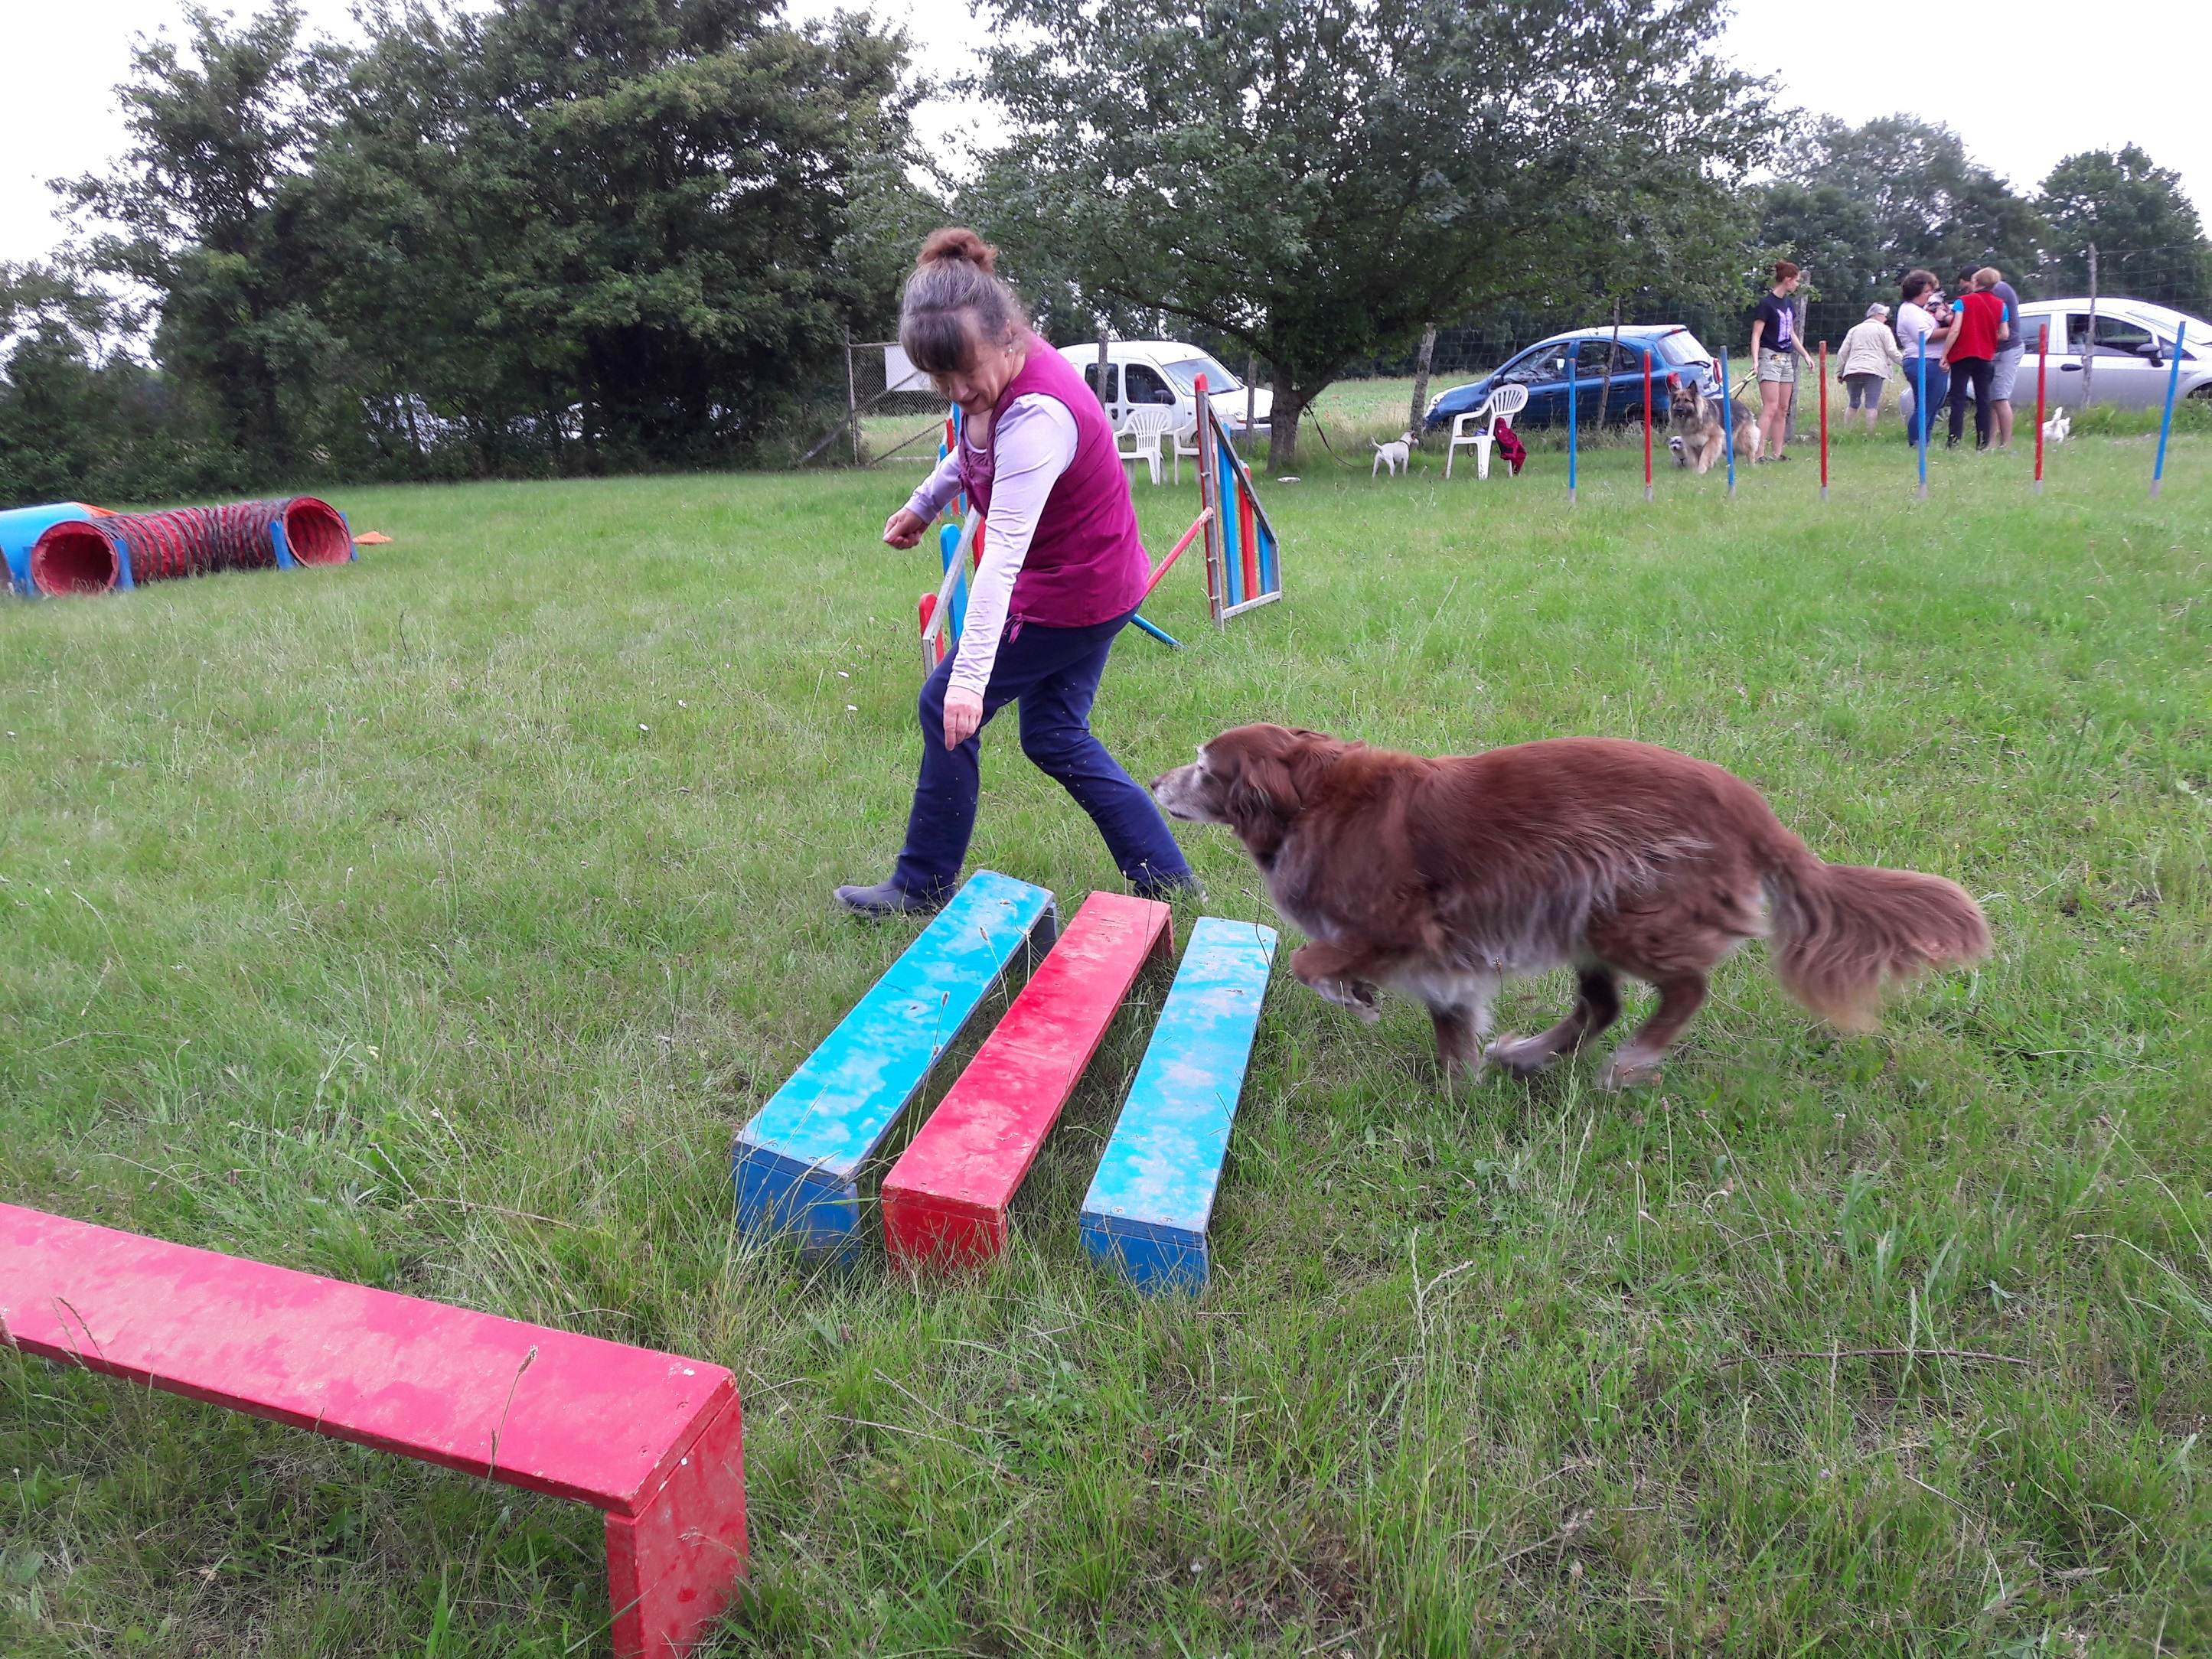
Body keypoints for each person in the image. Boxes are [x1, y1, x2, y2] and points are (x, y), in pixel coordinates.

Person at [834, 229, 1196, 916]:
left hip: (1073, 591)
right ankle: (1167, 878)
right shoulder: (988, 382)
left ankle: (920, 884)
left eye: (965, 374)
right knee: (1056, 736)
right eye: (939, 380)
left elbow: (1000, 553)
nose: (957, 390)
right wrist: (923, 504)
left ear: (1009, 339)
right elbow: (970, 445)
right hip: (1104, 582)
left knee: (943, 705)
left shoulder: (1035, 415)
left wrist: (968, 684)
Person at [1749, 260, 1814, 461]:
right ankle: (1757, 454)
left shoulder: (1788, 304)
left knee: (1783, 408)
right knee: (1771, 406)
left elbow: (1791, 333)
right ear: (1787, 280)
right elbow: (1756, 335)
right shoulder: (1766, 304)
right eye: (1795, 281)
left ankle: (1777, 453)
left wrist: (1805, 354)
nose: (1796, 285)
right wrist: (1756, 360)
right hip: (1770, 357)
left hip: (1786, 359)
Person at [1942, 268, 2007, 451]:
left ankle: (1954, 441)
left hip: (1962, 355)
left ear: (1975, 283)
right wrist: (1986, 335)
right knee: (1984, 400)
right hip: (1985, 356)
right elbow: (2004, 333)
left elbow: (1955, 329)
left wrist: (1944, 354)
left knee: (1957, 399)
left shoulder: (1963, 302)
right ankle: (1983, 443)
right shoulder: (2001, 305)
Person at [1895, 270, 1951, 448]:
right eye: (1927, 292)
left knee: (1932, 406)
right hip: (1923, 361)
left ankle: (1923, 444)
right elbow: (1925, 336)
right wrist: (1955, 329)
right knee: (1925, 406)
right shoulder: (1910, 311)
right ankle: (1917, 444)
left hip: (1931, 361)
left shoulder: (1921, 311)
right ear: (1915, 291)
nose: (1930, 296)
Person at [1837, 301, 1904, 432]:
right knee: (1871, 404)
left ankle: (1846, 431)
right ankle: (1870, 433)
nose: (1886, 318)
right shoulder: (1884, 330)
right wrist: (1906, 363)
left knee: (1853, 403)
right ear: (1877, 315)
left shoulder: (1854, 329)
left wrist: (1840, 372)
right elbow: (1892, 351)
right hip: (1874, 371)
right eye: (1884, 315)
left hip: (1853, 371)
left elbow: (1842, 353)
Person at [1982, 265, 2026, 449]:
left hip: (2008, 349)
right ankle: (1991, 443)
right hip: (1994, 350)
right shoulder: (1993, 291)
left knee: (2000, 397)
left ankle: (2006, 444)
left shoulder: (1999, 292)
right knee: (1993, 397)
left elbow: (1989, 320)